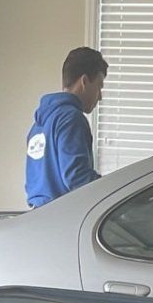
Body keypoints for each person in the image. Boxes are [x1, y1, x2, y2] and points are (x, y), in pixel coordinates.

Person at [25, 47, 107, 208]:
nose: (100, 96)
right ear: (84, 81)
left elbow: (32, 184)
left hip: (37, 215)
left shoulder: (39, 124)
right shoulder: (71, 119)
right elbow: (77, 177)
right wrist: (112, 189)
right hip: (61, 218)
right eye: (99, 87)